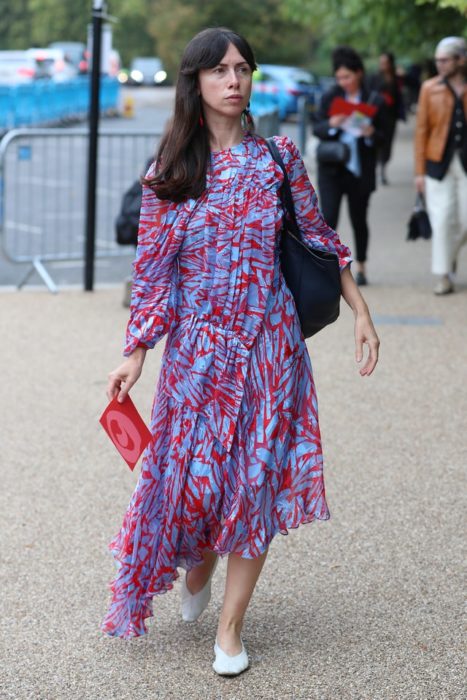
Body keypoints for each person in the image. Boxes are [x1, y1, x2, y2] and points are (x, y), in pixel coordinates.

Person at [101, 27, 380, 676]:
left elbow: (319, 241)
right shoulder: (170, 171)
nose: (235, 80)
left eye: (243, 69)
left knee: (252, 487)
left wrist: (362, 312)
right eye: (220, 70)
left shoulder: (278, 159)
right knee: (196, 492)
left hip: (270, 350)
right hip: (197, 357)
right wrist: (135, 353)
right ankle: (196, 569)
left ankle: (231, 629)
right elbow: (153, 272)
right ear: (194, 82)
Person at [313, 46, 387, 287]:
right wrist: (332, 124)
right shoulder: (330, 96)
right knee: (329, 219)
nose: (343, 82)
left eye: (347, 76)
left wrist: (371, 133)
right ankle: (327, 268)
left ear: (359, 73)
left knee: (359, 219)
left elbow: (385, 137)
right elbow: (318, 128)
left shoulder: (373, 98)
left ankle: (362, 266)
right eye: (339, 77)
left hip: (360, 169)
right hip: (332, 169)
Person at [414, 36, 467, 295]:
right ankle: (442, 275)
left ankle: (448, 256)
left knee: (465, 220)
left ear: (461, 59)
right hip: (437, 162)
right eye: (437, 60)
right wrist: (419, 172)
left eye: (445, 60)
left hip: (465, 163)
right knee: (443, 219)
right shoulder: (429, 88)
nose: (440, 64)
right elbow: (421, 130)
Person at [369, 51, 406, 184]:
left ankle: (383, 168)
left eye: (385, 63)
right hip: (377, 117)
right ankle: (376, 170)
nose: (383, 65)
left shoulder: (396, 79)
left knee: (387, 145)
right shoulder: (374, 78)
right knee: (376, 143)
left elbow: (399, 97)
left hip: (390, 118)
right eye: (381, 63)